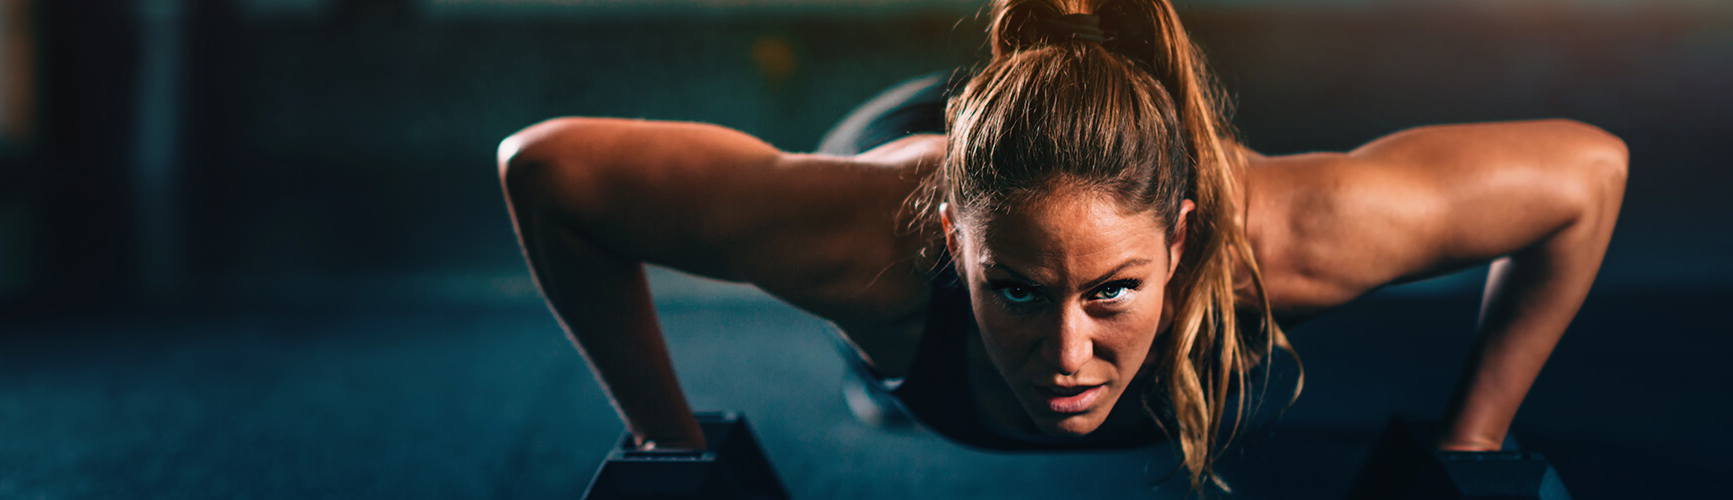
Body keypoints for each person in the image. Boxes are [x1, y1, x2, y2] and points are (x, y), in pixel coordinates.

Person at [496, 0, 1627, 492]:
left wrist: (1476, 439)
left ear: (1181, 244)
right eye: (1022, 294)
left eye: (1116, 292)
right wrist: (664, 441)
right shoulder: (866, 246)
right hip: (913, 147)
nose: (1070, 353)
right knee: (885, 341)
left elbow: (1587, 173)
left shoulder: (1277, 239)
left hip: (1115, 157)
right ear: (954, 243)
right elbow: (544, 168)